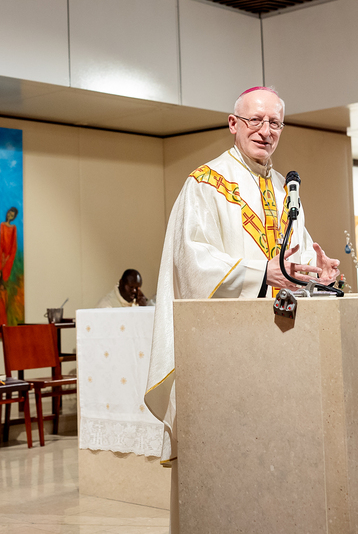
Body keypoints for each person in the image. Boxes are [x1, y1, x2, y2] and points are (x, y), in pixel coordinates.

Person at [145, 86, 341, 466]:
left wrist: (320, 277)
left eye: (274, 123)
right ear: (234, 124)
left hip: (284, 341)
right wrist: (261, 273)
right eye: (255, 120)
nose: (265, 131)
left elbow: (294, 262)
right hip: (225, 348)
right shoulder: (204, 183)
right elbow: (193, 262)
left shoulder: (286, 189)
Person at [0, 207, 19, 282]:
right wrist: (2, 253)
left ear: (14, 217)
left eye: (12, 215)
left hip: (10, 253)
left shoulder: (14, 228)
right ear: (7, 213)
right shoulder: (2, 225)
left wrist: (9, 256)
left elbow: (14, 244)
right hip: (2, 252)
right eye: (9, 213)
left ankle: (2, 284)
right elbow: (1, 240)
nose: (9, 216)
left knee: (6, 270)